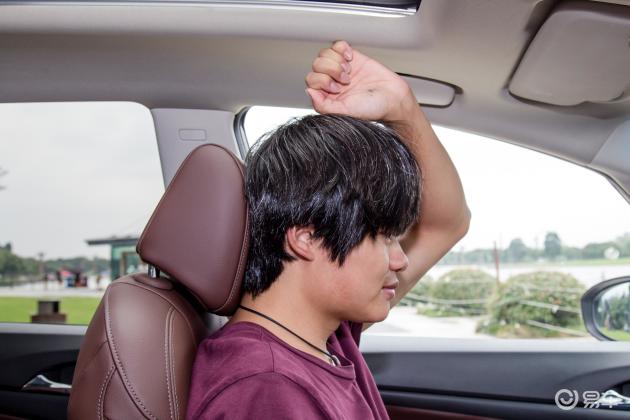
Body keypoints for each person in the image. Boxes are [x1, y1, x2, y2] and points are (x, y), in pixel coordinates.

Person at [186, 40, 470, 419]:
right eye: (384, 237)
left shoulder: (326, 336)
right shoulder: (266, 389)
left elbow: (446, 224)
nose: (400, 260)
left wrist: (402, 107)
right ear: (307, 238)